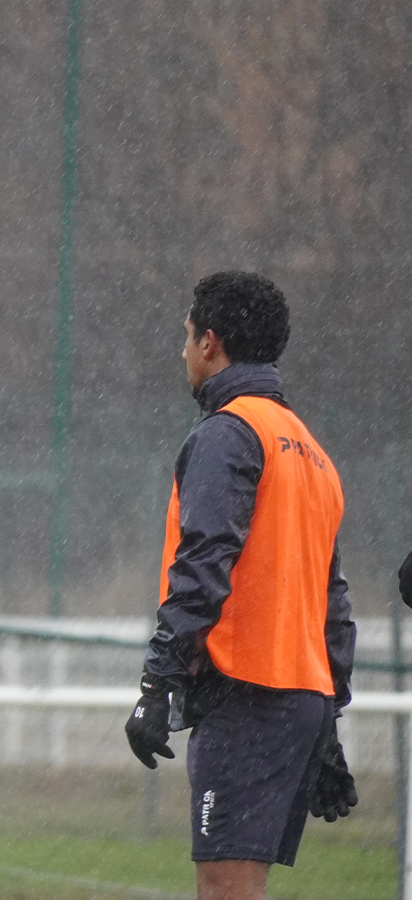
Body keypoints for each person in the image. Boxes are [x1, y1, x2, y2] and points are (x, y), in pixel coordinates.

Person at [125, 272, 358, 900]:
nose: (182, 353)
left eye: (186, 338)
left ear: (210, 343)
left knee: (226, 888)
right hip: (299, 698)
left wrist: (158, 681)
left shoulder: (229, 434)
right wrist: (328, 723)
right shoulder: (312, 452)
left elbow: (203, 563)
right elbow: (331, 608)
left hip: (247, 693)